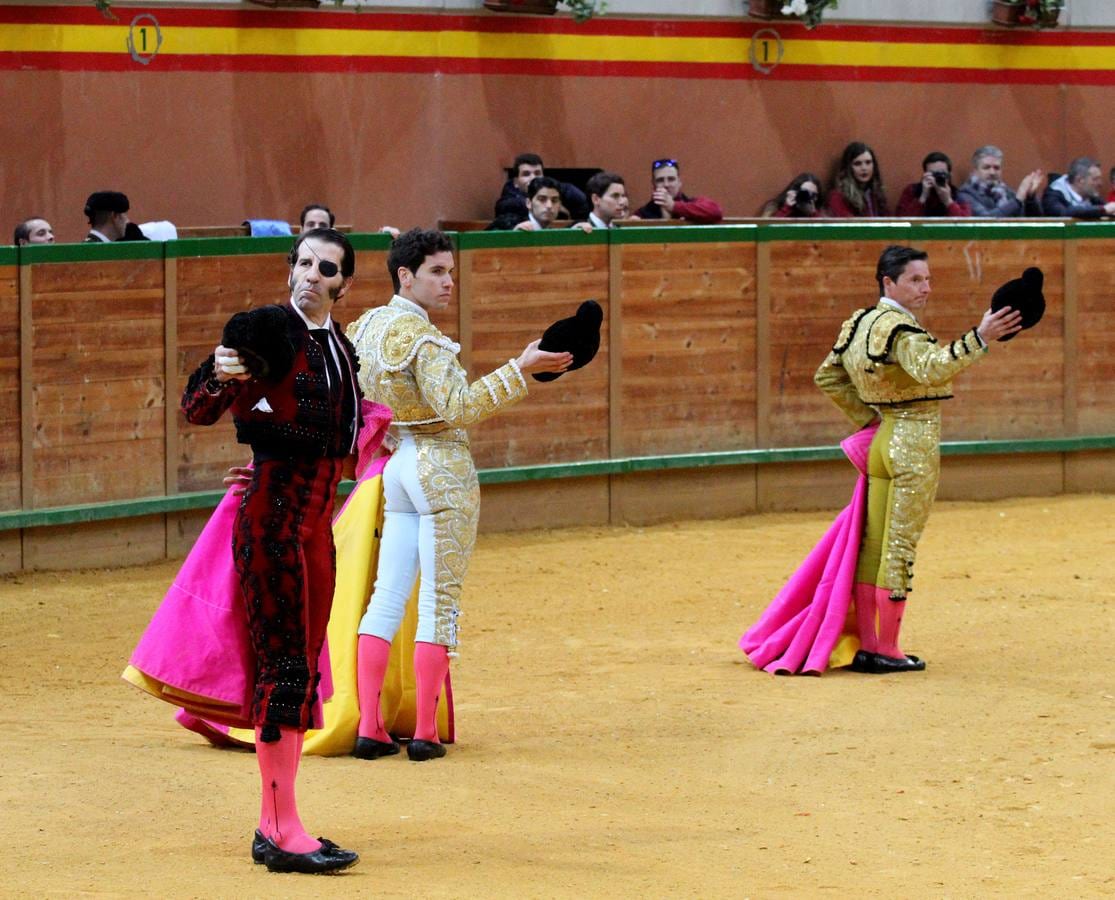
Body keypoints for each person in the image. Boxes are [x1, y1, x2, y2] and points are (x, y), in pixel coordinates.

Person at [345, 228, 572, 762]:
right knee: (437, 603)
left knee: (386, 596)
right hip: (440, 468)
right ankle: (424, 731)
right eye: (438, 272)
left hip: (396, 465)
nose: (450, 282)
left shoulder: (365, 328)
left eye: (451, 271)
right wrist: (521, 369)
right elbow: (461, 409)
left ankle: (371, 726)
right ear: (406, 275)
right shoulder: (424, 342)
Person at [178, 227, 363, 872]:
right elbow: (198, 409)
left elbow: (343, 442)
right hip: (274, 522)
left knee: (300, 668)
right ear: (291, 267)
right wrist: (219, 365)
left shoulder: (341, 345)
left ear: (344, 283)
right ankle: (282, 831)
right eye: (304, 262)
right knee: (283, 670)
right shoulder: (267, 334)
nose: (312, 274)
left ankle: (274, 823)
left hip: (315, 526)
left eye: (327, 267)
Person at [811, 245, 1022, 672]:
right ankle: (887, 648)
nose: (925, 287)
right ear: (888, 282)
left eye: (927, 279)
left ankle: (870, 645)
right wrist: (980, 337)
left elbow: (827, 376)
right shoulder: (902, 332)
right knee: (899, 547)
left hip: (881, 443)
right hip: (913, 444)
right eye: (915, 280)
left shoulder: (860, 323)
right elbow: (931, 367)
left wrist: (870, 420)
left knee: (873, 546)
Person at [494, 152, 590, 222]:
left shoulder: (555, 187)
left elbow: (582, 200)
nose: (533, 178)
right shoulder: (508, 200)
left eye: (537, 173)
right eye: (526, 174)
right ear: (516, 182)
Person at [955, 145, 1044, 217]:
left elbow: (1035, 221)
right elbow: (986, 221)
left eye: (996, 168)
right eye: (986, 167)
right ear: (975, 170)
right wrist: (1017, 200)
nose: (992, 172)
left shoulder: (1007, 192)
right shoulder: (965, 194)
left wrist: (1030, 197)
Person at [632, 158, 723, 224]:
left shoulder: (693, 204)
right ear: (653, 184)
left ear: (679, 182)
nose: (666, 184)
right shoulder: (642, 214)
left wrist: (673, 206)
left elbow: (716, 211)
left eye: (671, 179)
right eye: (660, 180)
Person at [488, 176, 592, 232]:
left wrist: (573, 233)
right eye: (542, 199)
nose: (549, 206)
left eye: (554, 200)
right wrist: (512, 237)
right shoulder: (507, 224)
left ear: (560, 205)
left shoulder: (550, 231)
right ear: (529, 203)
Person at [894, 152, 972, 217]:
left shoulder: (958, 195)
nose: (937, 177)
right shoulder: (912, 190)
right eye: (933, 174)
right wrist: (922, 198)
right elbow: (903, 222)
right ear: (925, 175)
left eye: (942, 173)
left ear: (950, 175)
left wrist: (948, 201)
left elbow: (965, 224)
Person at [826, 142, 890, 217]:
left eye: (868, 162)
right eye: (857, 164)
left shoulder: (876, 194)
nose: (864, 168)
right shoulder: (838, 197)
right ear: (848, 168)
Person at [1041, 156, 1115, 219]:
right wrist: (1103, 210)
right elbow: (1064, 213)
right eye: (1095, 179)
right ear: (1080, 180)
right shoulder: (1052, 196)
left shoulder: (1092, 198)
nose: (1100, 183)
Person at [301, 202, 400, 239]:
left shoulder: (341, 252)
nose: (317, 228)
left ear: (331, 230)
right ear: (301, 230)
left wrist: (386, 238)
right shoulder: (290, 255)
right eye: (311, 224)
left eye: (323, 225)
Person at [83, 191, 148, 242]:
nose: (127, 221)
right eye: (124, 215)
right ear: (115, 216)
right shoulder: (102, 252)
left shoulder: (87, 248)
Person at [759, 173, 824, 218]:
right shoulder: (774, 207)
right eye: (804, 192)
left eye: (813, 195)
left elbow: (825, 234)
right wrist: (786, 209)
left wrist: (813, 214)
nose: (807, 197)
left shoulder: (819, 212)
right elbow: (766, 231)